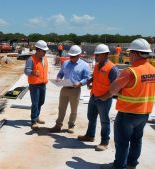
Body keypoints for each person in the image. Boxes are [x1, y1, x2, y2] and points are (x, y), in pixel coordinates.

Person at [100, 38, 155, 169]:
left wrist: (104, 97)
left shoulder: (130, 71)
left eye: (130, 53)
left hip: (128, 114)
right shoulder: (153, 70)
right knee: (137, 140)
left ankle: (119, 166)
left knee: (122, 142)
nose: (129, 56)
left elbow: (113, 90)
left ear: (135, 53)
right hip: (144, 113)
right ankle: (131, 164)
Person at [77, 44, 119, 151]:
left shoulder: (112, 69)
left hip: (104, 99)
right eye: (96, 55)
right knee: (91, 118)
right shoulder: (97, 65)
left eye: (97, 55)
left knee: (104, 121)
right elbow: (96, 76)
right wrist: (90, 81)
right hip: (94, 96)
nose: (95, 57)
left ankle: (104, 142)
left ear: (105, 55)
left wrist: (106, 97)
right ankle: (90, 136)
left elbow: (116, 87)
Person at [50, 45, 90, 133]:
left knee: (73, 109)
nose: (71, 58)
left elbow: (87, 78)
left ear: (79, 55)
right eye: (70, 56)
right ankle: (58, 125)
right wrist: (58, 78)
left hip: (75, 90)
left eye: (73, 56)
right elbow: (60, 73)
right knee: (61, 108)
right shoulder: (65, 63)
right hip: (64, 88)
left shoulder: (84, 65)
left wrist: (80, 83)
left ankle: (71, 125)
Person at [24, 40, 49, 130]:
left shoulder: (45, 59)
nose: (45, 53)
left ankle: (37, 116)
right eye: (44, 51)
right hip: (34, 85)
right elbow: (26, 71)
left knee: (41, 102)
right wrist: (33, 72)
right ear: (38, 50)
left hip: (43, 84)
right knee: (35, 103)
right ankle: (33, 121)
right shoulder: (31, 59)